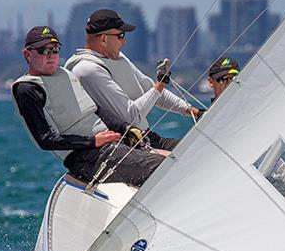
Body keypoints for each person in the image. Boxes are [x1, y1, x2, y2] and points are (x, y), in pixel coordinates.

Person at [11, 25, 165, 187]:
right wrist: (93, 141)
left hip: (109, 144)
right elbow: (46, 140)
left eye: (55, 49)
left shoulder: (65, 74)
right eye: (43, 50)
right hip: (86, 157)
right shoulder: (27, 89)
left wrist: (127, 128)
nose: (51, 55)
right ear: (27, 54)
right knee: (161, 167)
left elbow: (95, 109)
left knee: (174, 159)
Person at [65, 9, 201, 150]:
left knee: (200, 150)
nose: (124, 41)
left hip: (148, 137)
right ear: (104, 39)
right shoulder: (87, 70)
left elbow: (151, 90)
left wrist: (194, 112)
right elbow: (131, 117)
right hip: (126, 147)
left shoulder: (117, 57)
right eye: (120, 35)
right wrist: (160, 86)